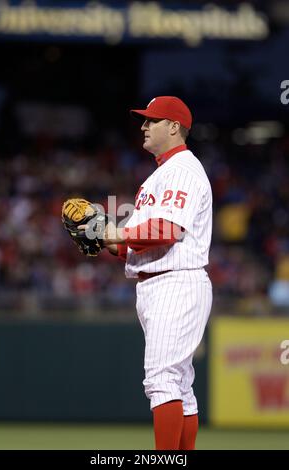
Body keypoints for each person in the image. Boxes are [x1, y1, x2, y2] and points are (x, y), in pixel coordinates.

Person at [103, 96, 213, 450]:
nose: (143, 126)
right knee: (179, 384)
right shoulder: (161, 175)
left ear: (174, 127)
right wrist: (101, 240)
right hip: (162, 281)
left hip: (176, 282)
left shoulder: (182, 169)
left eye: (152, 120)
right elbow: (135, 244)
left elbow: (167, 230)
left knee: (162, 380)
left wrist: (116, 232)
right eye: (144, 120)